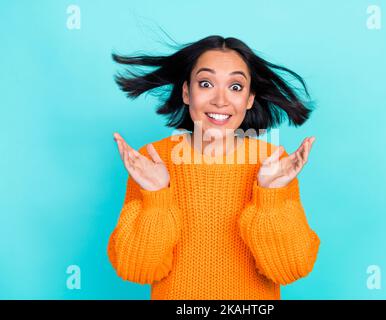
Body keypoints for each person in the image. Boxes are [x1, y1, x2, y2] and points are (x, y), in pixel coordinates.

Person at [107, 35, 320, 300]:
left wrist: (270, 197)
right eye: (206, 83)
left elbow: (290, 269)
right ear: (186, 92)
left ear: (250, 98)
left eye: (235, 87)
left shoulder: (272, 162)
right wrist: (157, 197)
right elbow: (137, 269)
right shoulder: (153, 160)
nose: (221, 100)